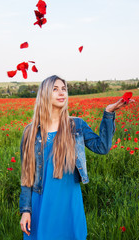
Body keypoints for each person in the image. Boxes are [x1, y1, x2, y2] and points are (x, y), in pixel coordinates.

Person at [19, 75, 134, 240]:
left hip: (68, 200)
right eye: (55, 89)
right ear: (45, 94)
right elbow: (26, 176)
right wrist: (25, 210)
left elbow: (102, 147)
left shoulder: (76, 125)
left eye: (64, 89)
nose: (62, 93)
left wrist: (108, 113)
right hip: (42, 201)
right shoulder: (31, 132)